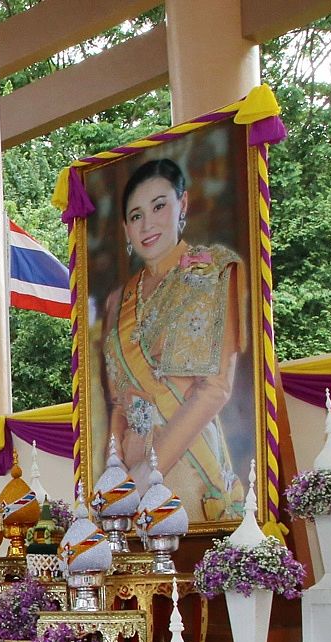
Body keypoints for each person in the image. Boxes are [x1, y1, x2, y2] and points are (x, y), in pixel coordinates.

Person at [102, 156, 247, 522]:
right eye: (136, 216)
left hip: (187, 465)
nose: (147, 224)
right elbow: (119, 401)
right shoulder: (117, 301)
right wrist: (116, 470)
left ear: (182, 204)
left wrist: (143, 478)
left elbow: (215, 389)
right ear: (126, 228)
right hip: (131, 470)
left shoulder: (213, 271)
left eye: (159, 206)